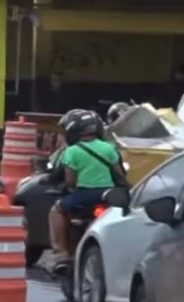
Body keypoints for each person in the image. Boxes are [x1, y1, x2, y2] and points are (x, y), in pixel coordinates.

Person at [48, 108, 127, 267]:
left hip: (83, 196)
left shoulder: (71, 152)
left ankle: (61, 253)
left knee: (56, 210)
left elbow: (70, 181)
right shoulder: (109, 148)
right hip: (108, 195)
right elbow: (120, 174)